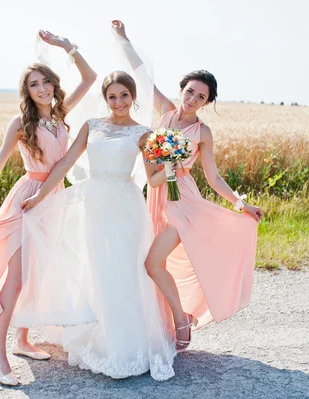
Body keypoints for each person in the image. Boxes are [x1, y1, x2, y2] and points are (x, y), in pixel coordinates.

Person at [0, 30, 97, 386]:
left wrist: (65, 46)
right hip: (27, 200)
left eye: (45, 82)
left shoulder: (61, 113)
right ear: (26, 92)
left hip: (54, 200)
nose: (41, 89)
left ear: (54, 85)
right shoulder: (20, 123)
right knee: (15, 279)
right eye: (33, 85)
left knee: (36, 274)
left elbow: (90, 77)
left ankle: (22, 340)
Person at [112, 20, 263, 352]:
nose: (193, 98)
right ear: (181, 90)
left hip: (184, 202)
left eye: (201, 96)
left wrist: (241, 204)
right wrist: (124, 39)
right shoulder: (165, 113)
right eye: (190, 91)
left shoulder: (202, 133)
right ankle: (163, 324)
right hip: (156, 194)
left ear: (207, 102)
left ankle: (182, 319)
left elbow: (214, 178)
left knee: (152, 263)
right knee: (158, 263)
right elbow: (141, 76)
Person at [17, 71, 176, 381]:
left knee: (124, 270)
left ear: (133, 97)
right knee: (98, 268)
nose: (118, 102)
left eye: (124, 96)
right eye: (112, 96)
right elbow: (64, 163)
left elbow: (154, 179)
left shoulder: (143, 133)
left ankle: (127, 346)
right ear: (105, 99)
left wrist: (172, 166)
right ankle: (99, 338)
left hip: (125, 205)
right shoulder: (92, 126)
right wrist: (39, 195)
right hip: (94, 203)